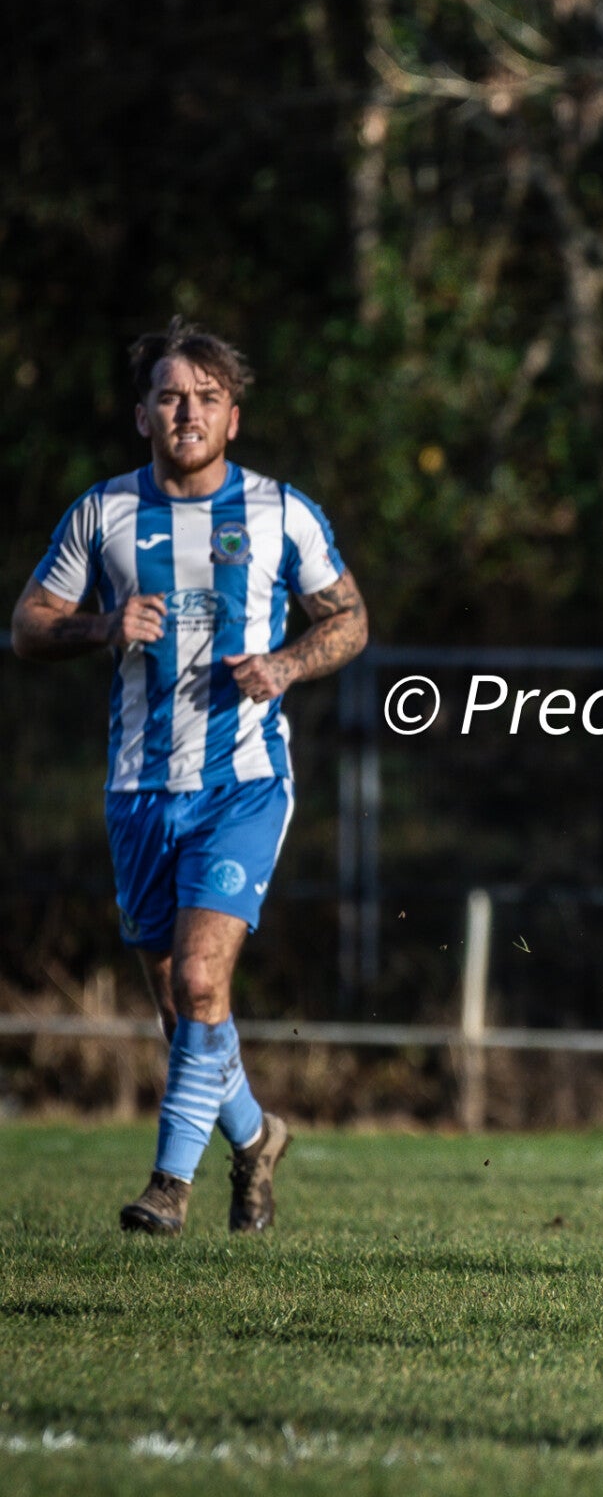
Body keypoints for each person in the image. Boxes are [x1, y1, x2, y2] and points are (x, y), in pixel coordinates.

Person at [10, 317, 368, 1236]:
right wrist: (104, 625)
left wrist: (285, 665)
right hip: (137, 790)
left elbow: (349, 618)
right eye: (170, 397)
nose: (188, 413)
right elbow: (29, 625)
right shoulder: (102, 514)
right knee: (183, 1009)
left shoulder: (281, 512)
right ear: (142, 415)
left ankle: (169, 1187)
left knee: (203, 982)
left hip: (244, 783)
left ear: (233, 418)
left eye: (207, 398)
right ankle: (256, 1138)